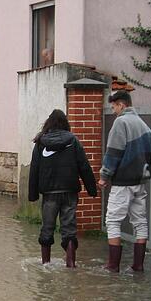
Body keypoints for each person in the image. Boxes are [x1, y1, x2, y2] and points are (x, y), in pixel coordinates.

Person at [28, 109, 98, 267]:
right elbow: (84, 166)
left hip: (50, 194)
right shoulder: (73, 141)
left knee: (47, 227)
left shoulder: (41, 142)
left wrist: (33, 195)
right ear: (66, 124)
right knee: (69, 229)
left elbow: (34, 169)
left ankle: (46, 264)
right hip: (70, 192)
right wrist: (92, 189)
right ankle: (71, 264)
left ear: (48, 124)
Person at [99, 90, 151, 272]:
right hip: (140, 181)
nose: (113, 110)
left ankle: (112, 265)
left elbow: (113, 152)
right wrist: (145, 175)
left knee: (113, 220)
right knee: (140, 221)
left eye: (114, 106)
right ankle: (138, 266)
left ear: (122, 105)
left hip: (123, 182)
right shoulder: (144, 126)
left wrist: (104, 176)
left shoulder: (121, 122)